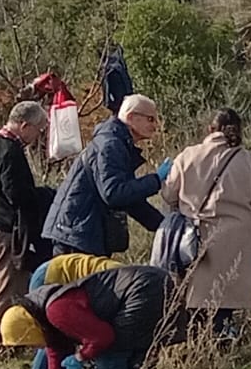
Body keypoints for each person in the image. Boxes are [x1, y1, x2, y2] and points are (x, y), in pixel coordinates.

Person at [3, 263, 175, 369]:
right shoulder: (49, 324)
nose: (31, 347)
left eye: (27, 342)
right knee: (133, 361)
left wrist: (81, 357)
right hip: (150, 283)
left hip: (144, 287)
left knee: (109, 357)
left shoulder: (56, 311)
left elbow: (103, 337)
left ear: (29, 329)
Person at [161, 107, 251, 340]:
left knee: (196, 298)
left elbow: (169, 196)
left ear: (209, 129)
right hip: (237, 242)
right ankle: (222, 337)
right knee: (225, 299)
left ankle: (199, 343)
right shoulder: (249, 161)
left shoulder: (187, 156)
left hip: (195, 242)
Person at [42, 94, 166, 258]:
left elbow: (129, 200)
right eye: (150, 119)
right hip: (76, 236)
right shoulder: (110, 145)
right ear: (131, 117)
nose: (155, 125)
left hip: (80, 232)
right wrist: (156, 180)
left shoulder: (117, 143)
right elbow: (113, 194)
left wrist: (163, 224)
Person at [0, 99, 51, 360]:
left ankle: (14, 340)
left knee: (4, 286)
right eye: (38, 129)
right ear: (25, 125)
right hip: (4, 229)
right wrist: (42, 197)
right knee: (7, 289)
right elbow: (17, 194)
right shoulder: (10, 151)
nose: (37, 136)